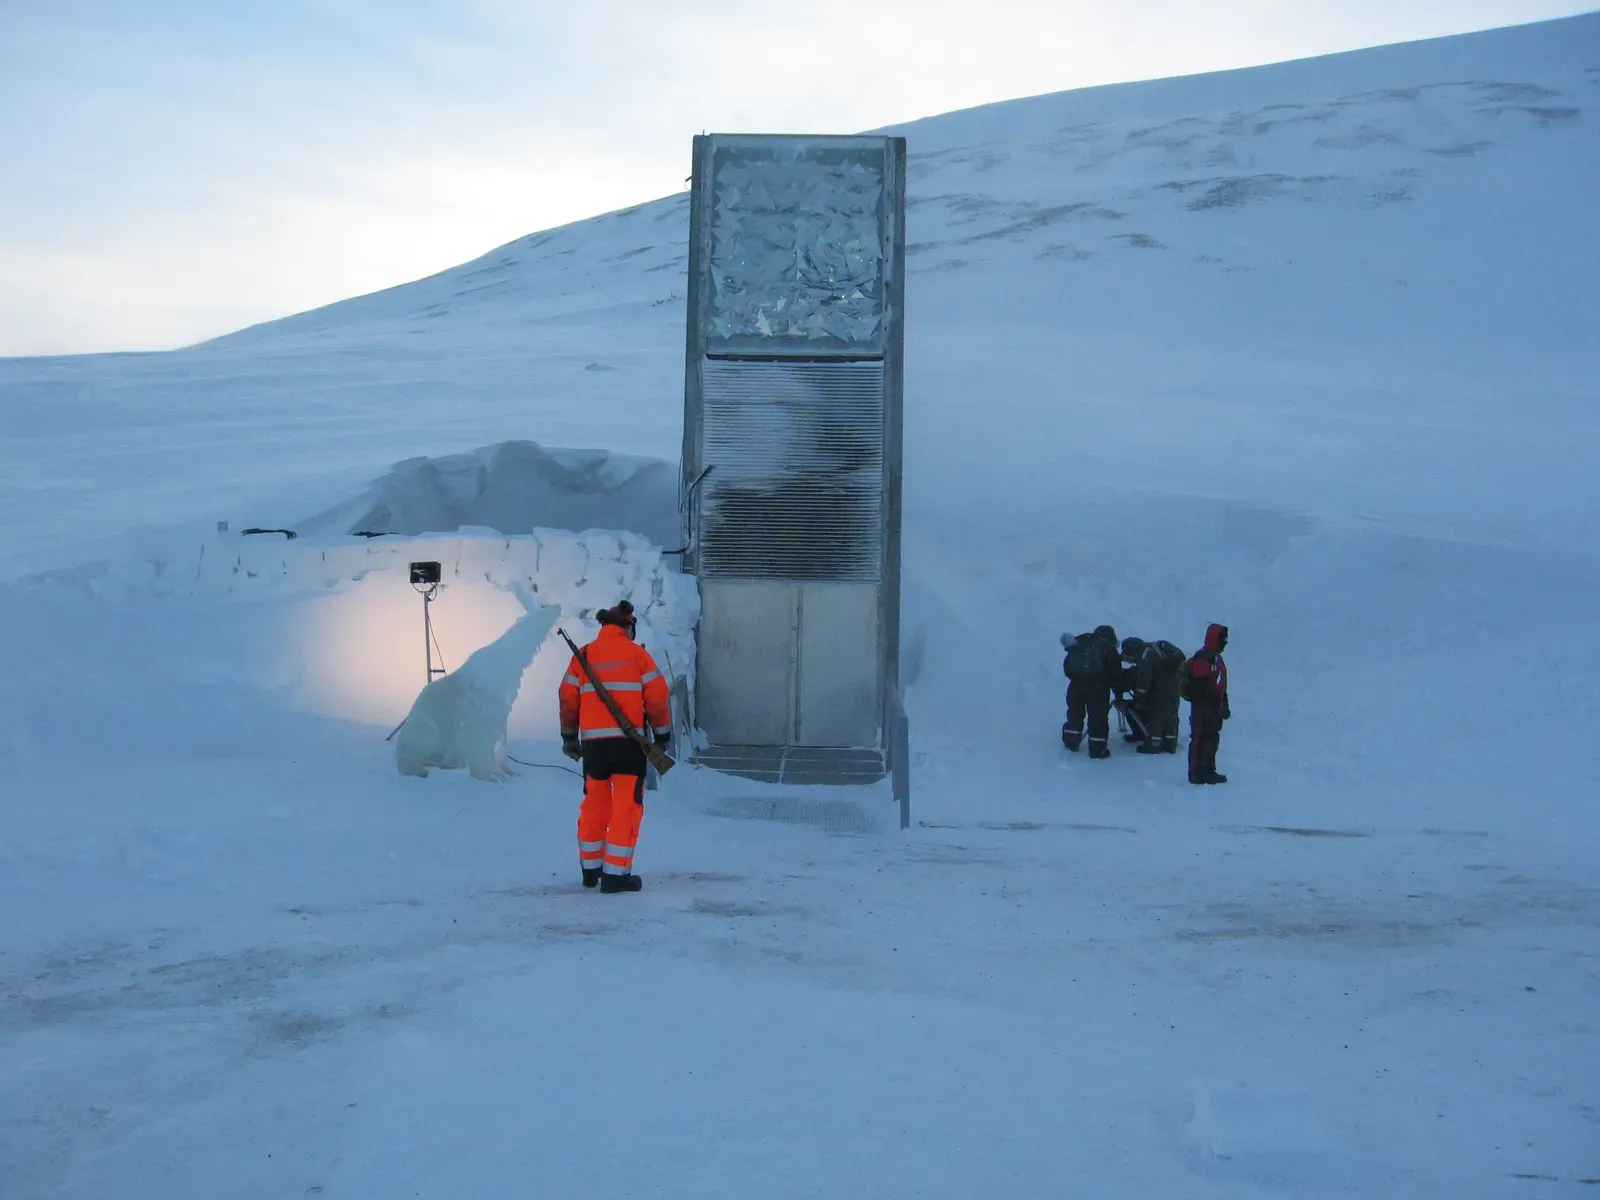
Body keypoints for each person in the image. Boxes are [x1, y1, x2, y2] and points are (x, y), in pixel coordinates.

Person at [558, 600, 673, 893]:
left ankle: (590, 869)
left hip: (594, 746)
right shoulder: (637, 656)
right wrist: (661, 736)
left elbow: (568, 696)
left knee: (594, 802)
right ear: (629, 627)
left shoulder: (583, 655)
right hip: (628, 746)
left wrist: (569, 736)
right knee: (626, 806)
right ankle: (616, 875)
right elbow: (658, 698)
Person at [1060, 624, 1119, 759]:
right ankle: (1097, 749)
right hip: (1097, 688)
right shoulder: (1107, 648)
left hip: (1075, 686)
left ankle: (1071, 741)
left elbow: (1067, 669)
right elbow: (1115, 673)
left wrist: (1079, 680)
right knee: (1098, 717)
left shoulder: (1079, 645)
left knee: (1075, 713)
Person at [1122, 637, 1186, 755]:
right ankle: (1170, 744)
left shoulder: (1145, 656)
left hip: (1161, 687)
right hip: (1175, 683)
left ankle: (1153, 745)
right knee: (1171, 714)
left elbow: (1143, 682)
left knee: (1157, 714)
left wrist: (1139, 700)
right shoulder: (1155, 648)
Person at [1185, 623, 1230, 784]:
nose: (1225, 642)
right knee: (1200, 738)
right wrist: (1207, 703)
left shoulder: (1216, 658)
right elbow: (1200, 686)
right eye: (1222, 639)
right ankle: (1196, 772)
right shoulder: (1204, 658)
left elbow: (1221, 684)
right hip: (1203, 708)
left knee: (1212, 739)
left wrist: (1224, 704)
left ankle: (1209, 770)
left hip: (1213, 708)